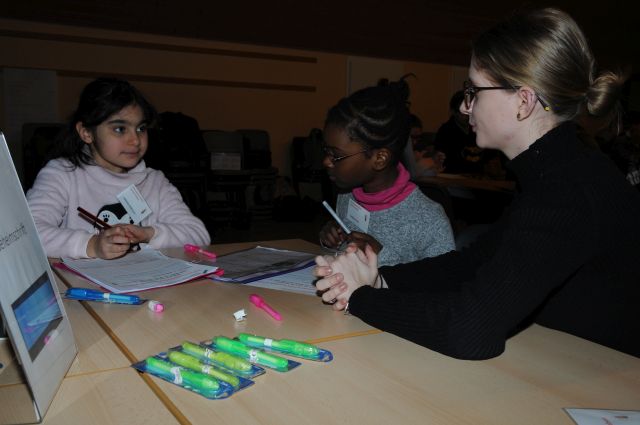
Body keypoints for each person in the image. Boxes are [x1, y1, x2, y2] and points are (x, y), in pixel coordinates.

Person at [313, 8, 640, 359]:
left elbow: (468, 331)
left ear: (524, 101)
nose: (465, 108)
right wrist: (379, 279)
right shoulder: (556, 171)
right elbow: (472, 264)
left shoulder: (567, 190)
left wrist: (361, 298)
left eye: (474, 91)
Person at [27, 77, 210, 259]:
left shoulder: (155, 181)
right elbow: (27, 234)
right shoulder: (62, 174)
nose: (135, 140)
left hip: (144, 277)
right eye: (120, 129)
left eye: (141, 128)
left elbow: (199, 235)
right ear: (86, 132)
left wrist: (149, 234)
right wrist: (92, 245)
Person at [318, 77, 455, 267]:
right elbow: (342, 260)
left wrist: (380, 255)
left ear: (379, 158)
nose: (326, 161)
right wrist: (331, 242)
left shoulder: (427, 219)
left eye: (336, 156)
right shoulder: (346, 197)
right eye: (326, 151)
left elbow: (443, 279)